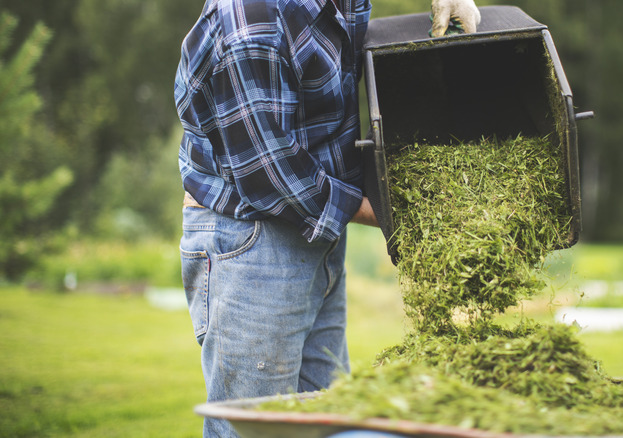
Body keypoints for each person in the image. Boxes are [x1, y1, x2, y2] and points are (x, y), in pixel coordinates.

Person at [174, 0, 479, 436]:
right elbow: (268, 172)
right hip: (254, 244)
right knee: (258, 428)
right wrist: (396, 214)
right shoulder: (249, 19)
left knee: (328, 421)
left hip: (317, 235)